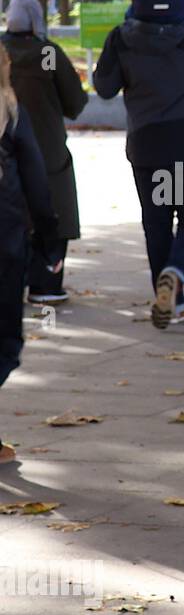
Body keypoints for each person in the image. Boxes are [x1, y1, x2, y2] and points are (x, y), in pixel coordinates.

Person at [92, 0, 184, 329]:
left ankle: (172, 301)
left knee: (156, 223)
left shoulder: (121, 37)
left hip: (147, 144)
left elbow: (104, 87)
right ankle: (176, 273)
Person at [1, 0, 86, 304]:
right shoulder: (48, 52)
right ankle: (46, 282)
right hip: (46, 148)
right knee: (54, 209)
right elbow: (74, 102)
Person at [0, 42, 57, 464]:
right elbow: (36, 178)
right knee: (5, 343)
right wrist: (50, 236)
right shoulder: (11, 114)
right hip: (5, 240)